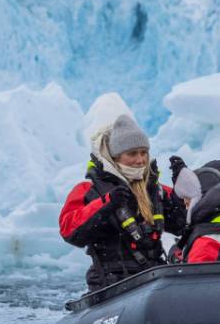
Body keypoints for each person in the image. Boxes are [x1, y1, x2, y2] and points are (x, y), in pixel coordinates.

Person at [58, 114, 188, 291]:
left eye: (144, 153)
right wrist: (106, 204)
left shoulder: (156, 190)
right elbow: (70, 231)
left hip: (153, 280)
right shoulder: (89, 189)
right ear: (115, 156)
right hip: (112, 285)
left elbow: (179, 226)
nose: (140, 160)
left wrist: (180, 194)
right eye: (132, 153)